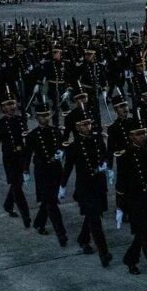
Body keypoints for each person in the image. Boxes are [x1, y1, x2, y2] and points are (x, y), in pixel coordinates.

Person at [114, 117, 147, 286]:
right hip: (136, 202)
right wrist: (120, 207)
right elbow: (121, 183)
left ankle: (130, 258)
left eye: (143, 133)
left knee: (143, 234)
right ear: (130, 136)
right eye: (138, 134)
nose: (142, 136)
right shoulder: (126, 156)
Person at [61, 111, 112, 267]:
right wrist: (62, 186)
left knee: (94, 215)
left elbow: (105, 154)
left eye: (89, 123)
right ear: (77, 127)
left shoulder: (97, 139)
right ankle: (104, 253)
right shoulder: (74, 147)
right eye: (84, 124)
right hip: (85, 187)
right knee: (95, 219)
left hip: (99, 184)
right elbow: (68, 167)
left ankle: (83, 238)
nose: (88, 126)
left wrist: (106, 166)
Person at [24, 102, 67, 246]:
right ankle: (61, 233)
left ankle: (39, 223)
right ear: (37, 117)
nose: (46, 118)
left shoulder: (55, 131)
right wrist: (25, 170)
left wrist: (61, 152)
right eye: (42, 116)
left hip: (56, 170)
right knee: (51, 203)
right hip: (43, 172)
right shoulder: (33, 135)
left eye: (47, 114)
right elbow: (27, 154)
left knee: (48, 201)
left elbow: (62, 145)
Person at [0, 89, 32, 228]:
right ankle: (26, 216)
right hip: (9, 158)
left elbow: (26, 139)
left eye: (13, 103)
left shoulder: (21, 120)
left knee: (17, 184)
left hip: (22, 156)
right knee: (17, 187)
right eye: (8, 104)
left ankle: (8, 204)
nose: (11, 107)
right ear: (2, 107)